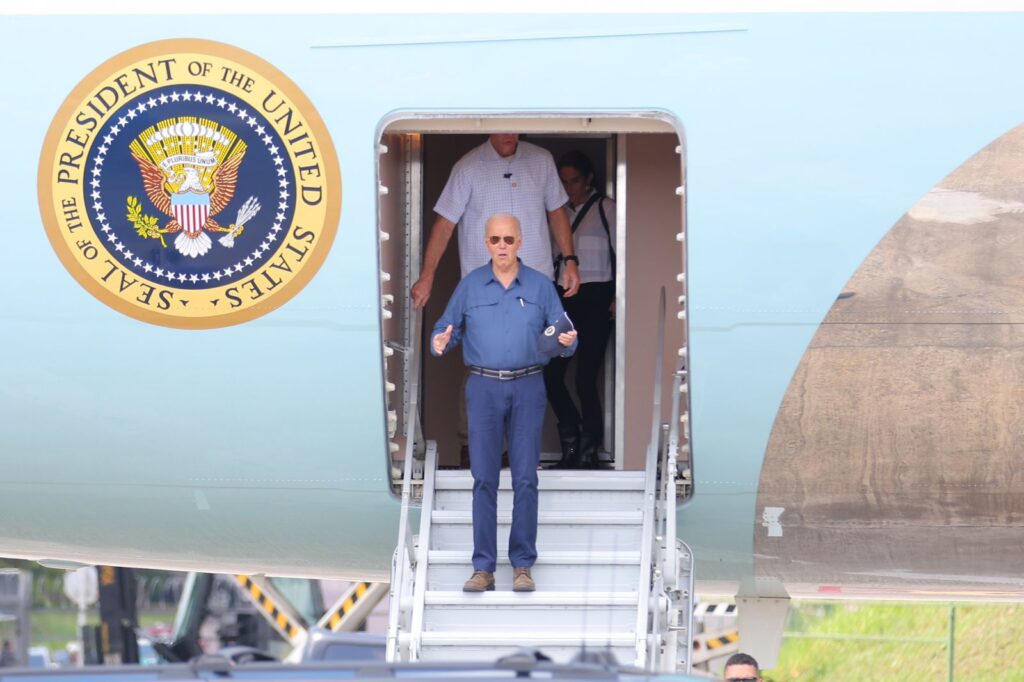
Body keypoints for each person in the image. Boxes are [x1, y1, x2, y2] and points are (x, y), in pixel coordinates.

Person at [431, 214, 577, 592]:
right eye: (495, 239)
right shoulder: (470, 286)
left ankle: (522, 565)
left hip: (528, 385)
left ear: (520, 242)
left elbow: (567, 334)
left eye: (508, 239)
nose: (502, 246)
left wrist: (568, 343)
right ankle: (483, 568)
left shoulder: (542, 286)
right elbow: (445, 327)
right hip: (483, 388)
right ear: (485, 243)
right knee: (484, 479)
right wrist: (439, 341)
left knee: (526, 477)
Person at [411, 133, 581, 308]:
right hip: (484, 283)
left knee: (538, 335)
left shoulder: (542, 160)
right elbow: (444, 224)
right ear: (490, 128)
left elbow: (557, 212)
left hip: (536, 279)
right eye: (502, 128)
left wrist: (570, 260)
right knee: (486, 335)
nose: (509, 134)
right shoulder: (468, 167)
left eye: (513, 128)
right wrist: (427, 276)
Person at [544, 151, 616, 469]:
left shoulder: (606, 208)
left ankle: (588, 448)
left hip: (599, 295)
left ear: (588, 179)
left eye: (574, 180)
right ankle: (570, 439)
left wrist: (618, 297)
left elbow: (622, 253)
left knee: (586, 377)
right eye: (563, 181)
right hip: (565, 297)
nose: (569, 187)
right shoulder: (556, 214)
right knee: (551, 374)